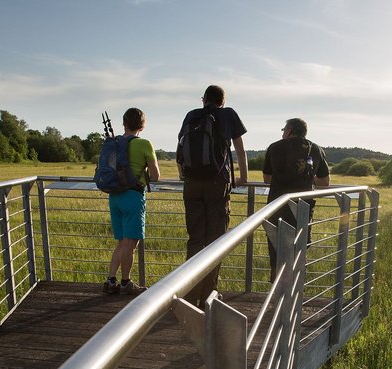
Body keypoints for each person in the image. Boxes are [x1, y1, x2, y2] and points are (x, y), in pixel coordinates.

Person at [177, 85, 248, 305]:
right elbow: (239, 148)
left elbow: (180, 147)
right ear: (222, 101)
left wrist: (183, 175)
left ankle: (189, 292)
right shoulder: (228, 114)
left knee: (195, 238)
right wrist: (242, 177)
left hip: (191, 183)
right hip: (217, 183)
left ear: (204, 100)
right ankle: (208, 294)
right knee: (215, 239)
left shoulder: (191, 115)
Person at [262, 117, 330, 281]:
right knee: (298, 250)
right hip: (303, 208)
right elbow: (324, 182)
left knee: (276, 249)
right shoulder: (316, 149)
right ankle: (294, 291)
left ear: (290, 130)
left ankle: (277, 290)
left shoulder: (274, 147)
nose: (283, 133)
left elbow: (266, 178)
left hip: (277, 206)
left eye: (284, 130)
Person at [103, 107, 160, 296]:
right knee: (130, 244)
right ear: (142, 126)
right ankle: (126, 283)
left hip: (115, 195)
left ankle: (111, 280)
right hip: (133, 196)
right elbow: (156, 175)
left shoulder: (114, 142)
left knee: (121, 242)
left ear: (124, 123)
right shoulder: (144, 144)